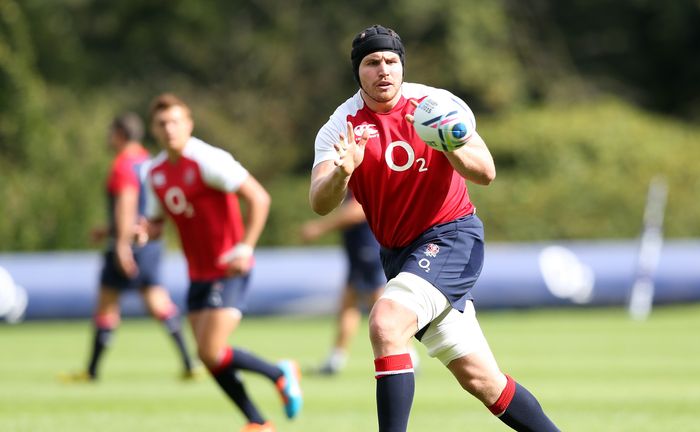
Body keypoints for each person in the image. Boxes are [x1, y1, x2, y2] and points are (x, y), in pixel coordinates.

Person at [309, 25, 561, 431]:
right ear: (358, 71)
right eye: (373, 63)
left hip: (451, 237)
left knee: (386, 323)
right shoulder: (342, 125)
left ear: (402, 65)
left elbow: (487, 172)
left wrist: (451, 144)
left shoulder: (436, 105)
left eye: (392, 61)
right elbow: (320, 202)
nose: (384, 70)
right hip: (401, 256)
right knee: (483, 380)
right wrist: (342, 172)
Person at [143, 93, 302, 432]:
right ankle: (258, 420)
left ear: (189, 124)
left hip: (228, 268)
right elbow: (156, 224)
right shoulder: (154, 172)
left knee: (211, 350)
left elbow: (259, 197)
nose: (169, 129)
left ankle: (279, 374)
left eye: (175, 121)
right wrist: (143, 231)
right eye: (162, 123)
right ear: (153, 129)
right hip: (197, 273)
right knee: (206, 354)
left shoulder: (207, 159)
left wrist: (245, 247)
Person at [62, 112, 197, 382]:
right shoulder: (148, 162)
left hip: (128, 243)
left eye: (111, 132)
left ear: (120, 134)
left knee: (106, 307)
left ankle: (91, 371)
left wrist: (121, 244)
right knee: (158, 302)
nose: (108, 138)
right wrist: (110, 229)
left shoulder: (123, 164)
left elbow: (127, 202)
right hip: (150, 243)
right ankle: (189, 363)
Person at [301, 193, 419, 375]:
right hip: (359, 251)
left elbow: (358, 210)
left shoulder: (361, 175)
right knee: (349, 303)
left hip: (369, 248)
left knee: (383, 306)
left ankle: (409, 357)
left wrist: (320, 227)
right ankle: (335, 360)